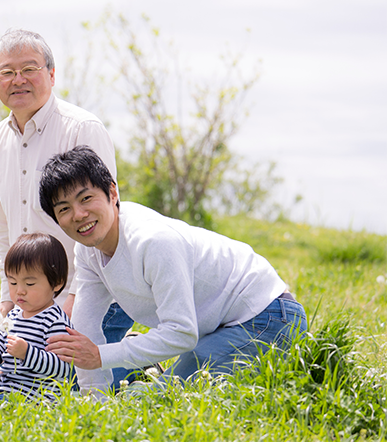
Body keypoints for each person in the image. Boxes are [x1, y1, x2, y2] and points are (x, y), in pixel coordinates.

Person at [39, 146, 308, 393]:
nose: (78, 215)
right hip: (212, 328)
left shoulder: (153, 240)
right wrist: (92, 397)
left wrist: (101, 357)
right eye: (64, 209)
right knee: (74, 387)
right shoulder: (87, 250)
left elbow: (181, 332)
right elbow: (87, 328)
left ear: (112, 193)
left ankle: (154, 373)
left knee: (156, 399)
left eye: (86, 198)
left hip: (268, 316)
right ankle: (152, 368)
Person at [0, 28, 136, 388]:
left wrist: (72, 298)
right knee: (17, 374)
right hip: (34, 295)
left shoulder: (82, 128)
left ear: (51, 74)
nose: (17, 80)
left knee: (75, 382)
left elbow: (103, 221)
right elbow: (3, 228)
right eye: (6, 72)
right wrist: (10, 297)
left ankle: (134, 360)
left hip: (91, 289)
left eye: (29, 69)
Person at [0, 233, 75, 403]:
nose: (20, 290)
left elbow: (61, 368)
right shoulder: (12, 316)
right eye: (13, 282)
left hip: (34, 399)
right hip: (2, 392)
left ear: (57, 282)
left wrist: (27, 353)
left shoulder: (55, 321)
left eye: (30, 284)